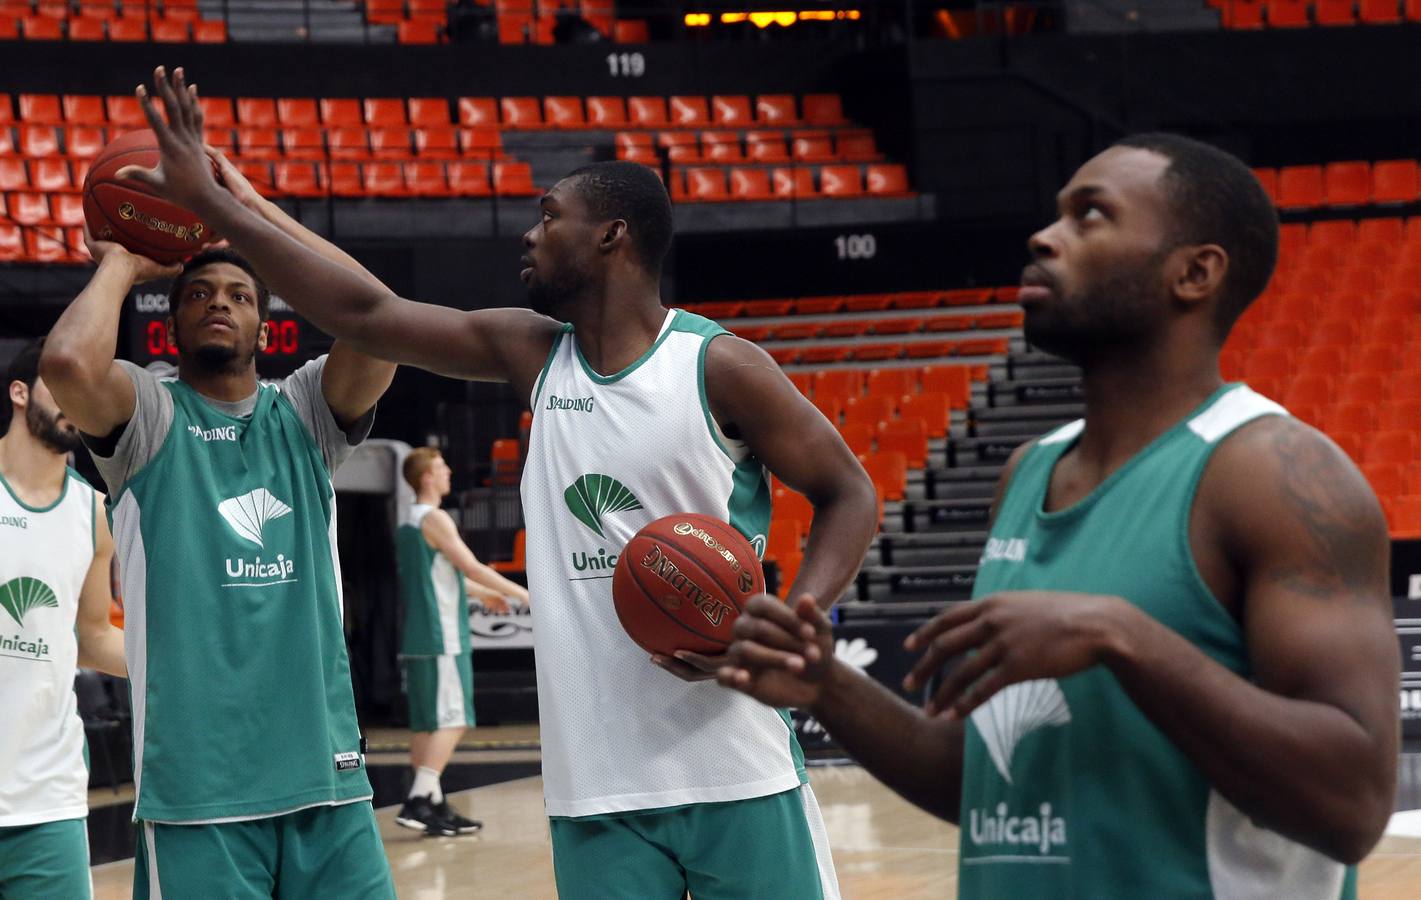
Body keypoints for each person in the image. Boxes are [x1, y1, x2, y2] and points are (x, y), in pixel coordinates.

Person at [122, 65, 879, 899]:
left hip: (739, 767)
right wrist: (236, 204)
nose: (529, 233)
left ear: (611, 236)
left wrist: (789, 624)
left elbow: (850, 491)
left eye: (548, 217)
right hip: (595, 790)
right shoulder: (529, 354)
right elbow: (367, 314)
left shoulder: (720, 366)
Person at [714, 134, 1400, 899]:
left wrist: (1119, 635)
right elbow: (992, 790)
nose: (1043, 237)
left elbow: (1352, 806)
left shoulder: (1271, 473)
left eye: (1090, 216)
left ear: (1194, 272)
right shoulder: (1029, 471)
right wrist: (826, 688)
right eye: (1055, 215)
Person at [40, 147, 399, 897]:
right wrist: (120, 261)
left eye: (240, 294)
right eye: (199, 292)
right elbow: (69, 366)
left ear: (264, 330)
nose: (219, 303)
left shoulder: (303, 411)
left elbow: (377, 319)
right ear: (170, 326)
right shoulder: (148, 413)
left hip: (326, 774)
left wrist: (253, 212)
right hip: (196, 789)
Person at [0, 341, 127, 899]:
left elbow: (93, 637)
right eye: (60, 385)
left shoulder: (94, 512)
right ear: (20, 391)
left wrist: (188, 666)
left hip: (47, 797)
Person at [394, 446, 529, 837]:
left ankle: (434, 806)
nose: (449, 471)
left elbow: (443, 576)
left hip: (418, 636)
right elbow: (468, 564)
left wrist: (481, 594)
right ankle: (419, 798)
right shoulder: (435, 518)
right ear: (426, 478)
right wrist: (523, 595)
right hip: (443, 637)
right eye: (441, 467)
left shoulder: (409, 521)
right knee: (455, 720)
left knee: (426, 723)